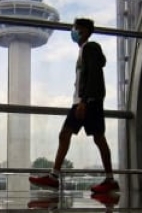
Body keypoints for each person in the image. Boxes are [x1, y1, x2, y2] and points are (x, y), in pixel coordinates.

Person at [29, 18, 118, 195]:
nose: (73, 32)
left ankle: (109, 180)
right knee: (68, 134)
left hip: (87, 103)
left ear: (85, 30)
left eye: (76, 29)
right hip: (81, 101)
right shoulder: (83, 51)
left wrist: (84, 101)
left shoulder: (90, 48)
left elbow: (93, 76)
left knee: (97, 138)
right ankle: (55, 177)